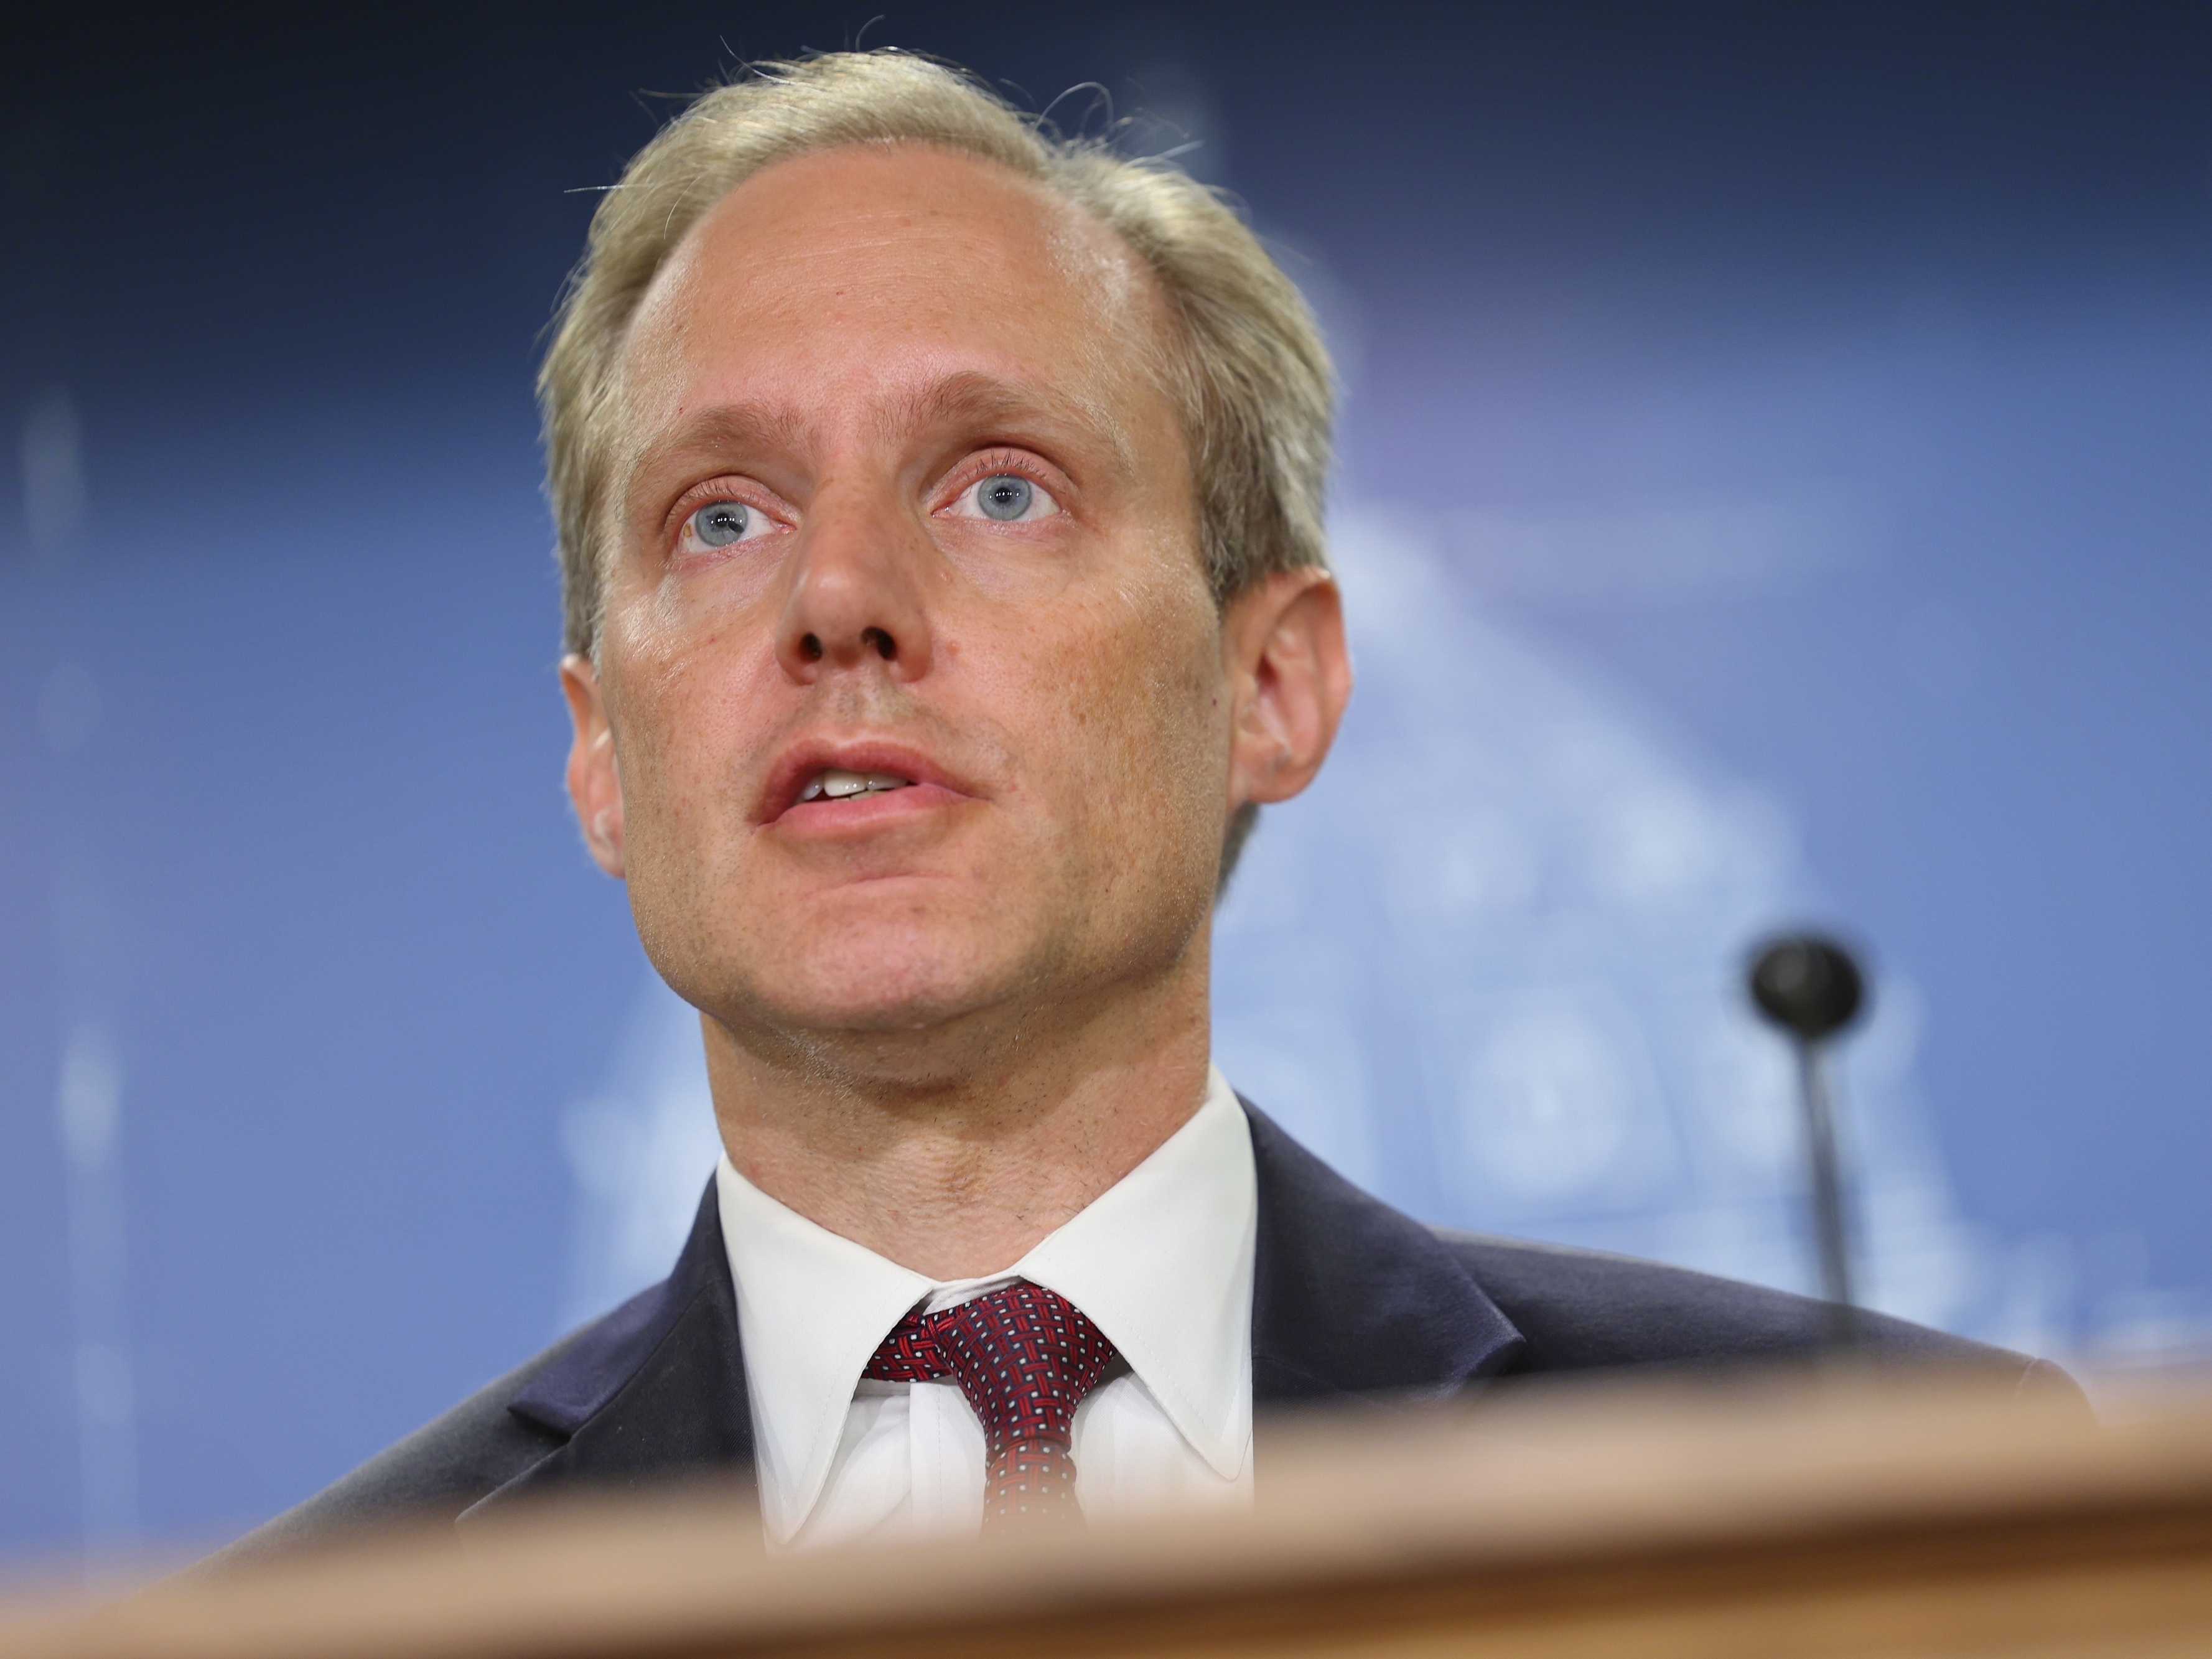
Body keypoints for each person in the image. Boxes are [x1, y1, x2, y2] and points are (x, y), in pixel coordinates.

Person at [218, 50, 2073, 1561]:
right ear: (602, 756)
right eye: (721, 513)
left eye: (997, 486)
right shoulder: (331, 1627)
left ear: (1268, 683)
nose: (836, 594)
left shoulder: (1874, 1520)